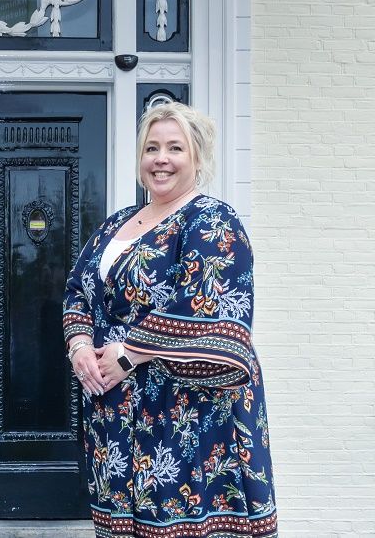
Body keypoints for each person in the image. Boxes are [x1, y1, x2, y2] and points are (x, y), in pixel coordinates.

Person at [63, 102, 277, 537]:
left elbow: (214, 306)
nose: (161, 159)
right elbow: (77, 289)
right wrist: (80, 344)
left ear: (197, 158)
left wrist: (131, 351)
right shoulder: (115, 224)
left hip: (186, 412)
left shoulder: (212, 220)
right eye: (152, 148)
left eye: (175, 148)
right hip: (114, 410)